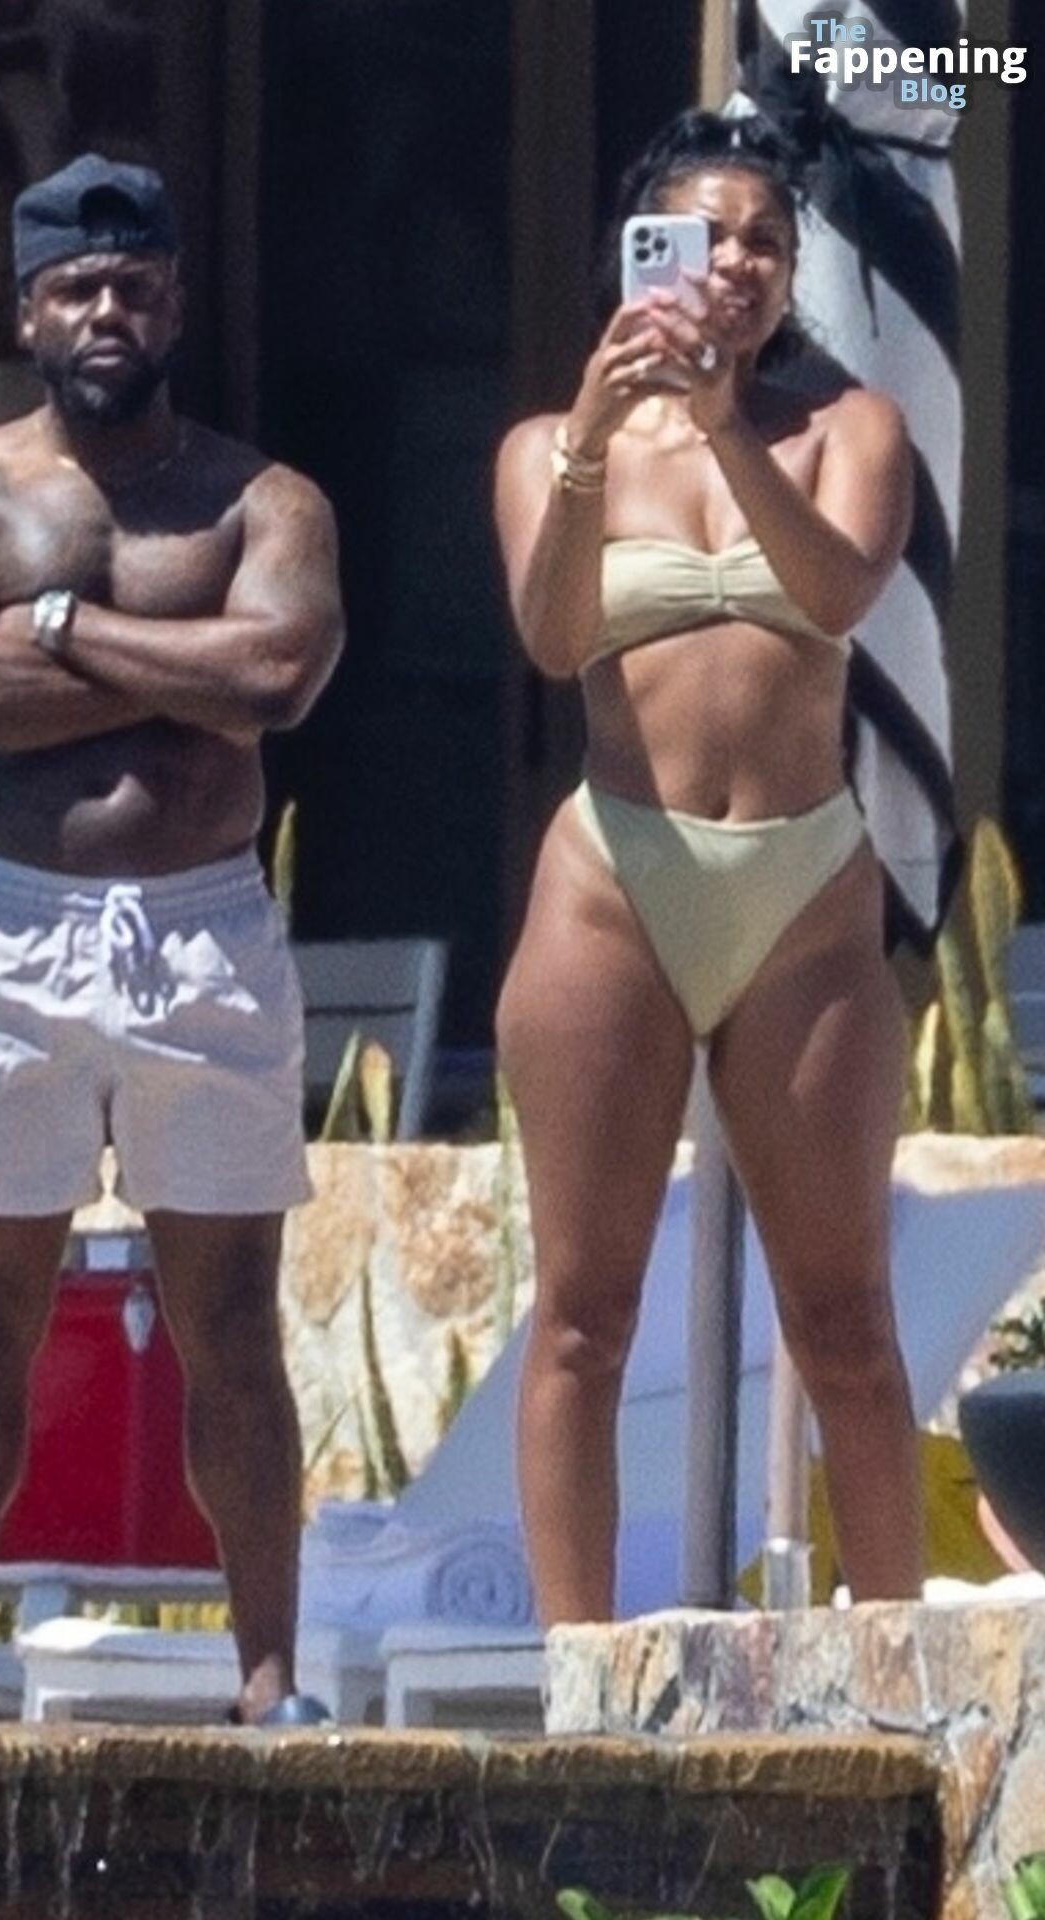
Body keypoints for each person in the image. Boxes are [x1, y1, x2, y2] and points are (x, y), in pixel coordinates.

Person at [0, 154, 344, 1722]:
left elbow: (277, 680)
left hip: (202, 936)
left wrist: (65, 628)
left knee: (231, 1328)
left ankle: (269, 1687)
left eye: (134, 284)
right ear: (28, 311)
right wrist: (183, 668)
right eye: (76, 287)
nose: (106, 311)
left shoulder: (263, 498)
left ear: (176, 301)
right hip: (9, 931)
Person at [494, 112, 921, 1625]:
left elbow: (837, 592)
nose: (737, 263)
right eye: (705, 235)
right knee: (582, 1317)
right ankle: (579, 1680)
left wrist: (730, 427)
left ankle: (898, 1683)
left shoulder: (849, 429)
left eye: (766, 242)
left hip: (802, 890)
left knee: (845, 1320)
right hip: (618, 878)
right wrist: (597, 437)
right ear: (641, 255)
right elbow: (555, 636)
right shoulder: (549, 446)